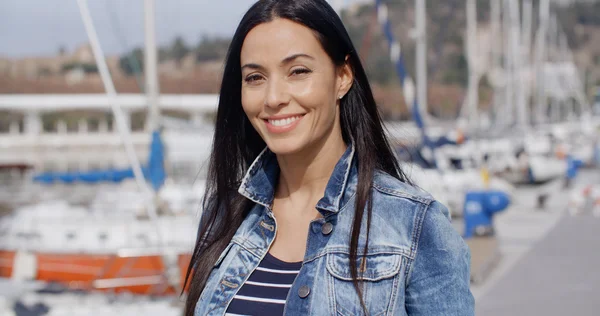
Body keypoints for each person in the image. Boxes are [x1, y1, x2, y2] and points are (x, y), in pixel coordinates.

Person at [184, 1, 474, 315]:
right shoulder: (222, 215)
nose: (273, 98)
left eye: (298, 71)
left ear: (343, 77)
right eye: (255, 77)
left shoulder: (414, 224)